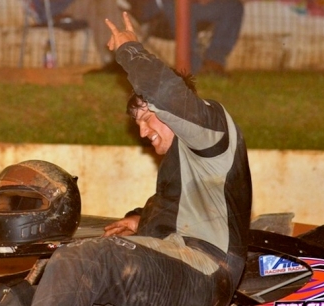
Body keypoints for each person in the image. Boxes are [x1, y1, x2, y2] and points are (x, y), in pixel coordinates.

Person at [31, 11, 252, 306]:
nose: (143, 131)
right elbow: (177, 208)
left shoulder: (212, 126)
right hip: (184, 265)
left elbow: (166, 93)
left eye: (147, 119)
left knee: (81, 260)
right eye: (138, 124)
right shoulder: (186, 165)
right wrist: (141, 219)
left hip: (205, 266)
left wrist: (130, 48)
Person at [30, 0, 124, 71]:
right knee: (101, 4)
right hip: (52, 11)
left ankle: (112, 57)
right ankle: (117, 56)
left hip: (71, 6)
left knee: (101, 7)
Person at [159, 0, 245, 76]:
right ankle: (192, 64)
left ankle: (214, 62)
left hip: (192, 6)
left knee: (233, 7)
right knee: (180, 7)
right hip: (160, 8)